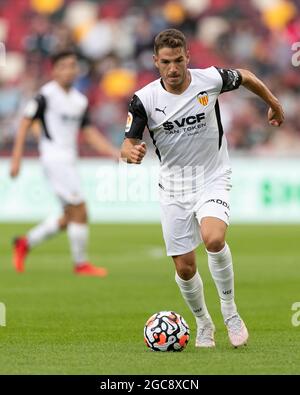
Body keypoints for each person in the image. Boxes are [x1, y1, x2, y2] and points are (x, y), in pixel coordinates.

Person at [121, 29, 284, 347]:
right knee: (185, 268)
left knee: (214, 238)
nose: (173, 68)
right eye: (166, 62)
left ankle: (230, 311)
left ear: (187, 57)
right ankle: (203, 323)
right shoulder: (144, 99)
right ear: (156, 61)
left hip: (213, 177)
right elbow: (128, 144)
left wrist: (274, 103)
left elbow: (246, 76)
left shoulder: (209, 79)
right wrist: (129, 153)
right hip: (173, 188)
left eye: (178, 60)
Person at [10, 50, 119, 277]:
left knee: (69, 216)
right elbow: (25, 123)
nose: (69, 70)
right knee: (80, 210)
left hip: (69, 160)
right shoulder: (45, 95)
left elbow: (88, 132)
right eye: (64, 66)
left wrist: (111, 151)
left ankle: (25, 243)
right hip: (54, 158)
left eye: (72, 66)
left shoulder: (80, 101)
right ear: (54, 70)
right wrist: (17, 159)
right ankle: (80, 264)